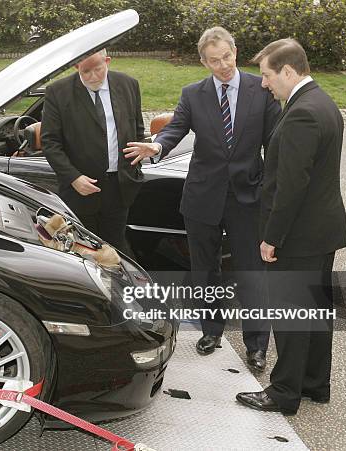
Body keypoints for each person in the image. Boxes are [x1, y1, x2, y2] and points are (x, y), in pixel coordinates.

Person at [124, 27, 281, 370]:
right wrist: (158, 145)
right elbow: (175, 128)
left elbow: (275, 144)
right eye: (214, 61)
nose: (223, 65)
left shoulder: (262, 89)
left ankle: (257, 346)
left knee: (251, 272)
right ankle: (211, 331)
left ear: (236, 52)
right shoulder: (193, 94)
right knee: (205, 270)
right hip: (202, 197)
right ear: (203, 62)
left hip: (247, 197)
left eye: (226, 57)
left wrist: (271, 191)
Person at [236, 39, 346, 415]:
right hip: (321, 231)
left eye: (268, 76)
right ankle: (315, 384)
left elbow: (291, 185)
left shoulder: (302, 112)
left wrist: (272, 237)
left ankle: (284, 392)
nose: (264, 84)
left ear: (288, 71)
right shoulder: (323, 101)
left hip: (298, 236)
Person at [41, 49, 145, 255]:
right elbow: (50, 142)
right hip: (80, 190)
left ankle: (121, 286)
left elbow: (138, 129)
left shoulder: (128, 85)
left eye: (98, 69)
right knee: (84, 251)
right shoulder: (58, 92)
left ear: (107, 61)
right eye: (85, 71)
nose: (93, 76)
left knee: (116, 249)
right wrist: (73, 177)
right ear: (76, 66)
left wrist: (136, 163)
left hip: (120, 187)